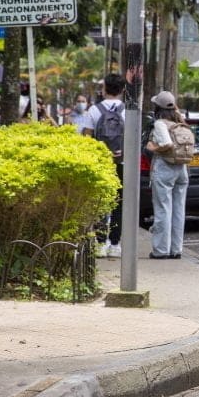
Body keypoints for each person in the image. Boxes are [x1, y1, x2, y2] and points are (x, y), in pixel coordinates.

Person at [79, 73, 126, 259]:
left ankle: (100, 244)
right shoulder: (126, 111)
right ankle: (115, 244)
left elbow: (87, 138)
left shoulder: (93, 110)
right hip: (121, 163)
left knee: (100, 203)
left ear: (104, 88)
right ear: (123, 90)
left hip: (101, 163)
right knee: (118, 203)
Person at [145, 90, 189, 259]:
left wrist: (153, 148)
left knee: (163, 209)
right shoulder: (180, 122)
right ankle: (176, 249)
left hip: (165, 169)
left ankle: (161, 250)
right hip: (182, 170)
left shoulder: (160, 124)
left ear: (158, 108)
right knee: (179, 210)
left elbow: (167, 144)